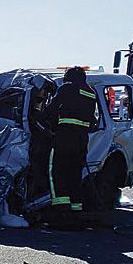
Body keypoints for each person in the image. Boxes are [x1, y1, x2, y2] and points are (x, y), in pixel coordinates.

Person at [45, 67, 98, 229]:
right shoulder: (91, 93)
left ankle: (60, 215)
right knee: (74, 176)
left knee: (57, 174)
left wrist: (51, 126)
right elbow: (93, 120)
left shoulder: (66, 88)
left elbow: (50, 111)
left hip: (64, 138)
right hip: (81, 141)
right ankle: (75, 214)